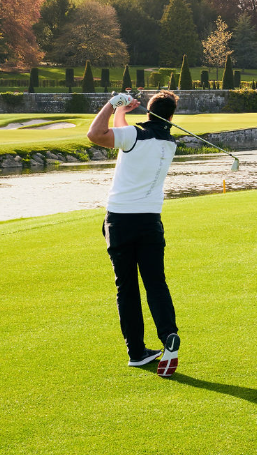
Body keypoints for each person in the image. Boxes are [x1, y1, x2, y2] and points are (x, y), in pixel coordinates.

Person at [87, 90, 182, 377]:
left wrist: (113, 104)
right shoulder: (169, 144)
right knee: (155, 283)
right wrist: (122, 113)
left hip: (120, 221)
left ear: (148, 112)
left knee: (126, 287)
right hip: (150, 222)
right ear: (171, 117)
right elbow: (124, 135)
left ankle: (137, 352)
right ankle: (168, 334)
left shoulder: (133, 136)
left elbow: (95, 134)